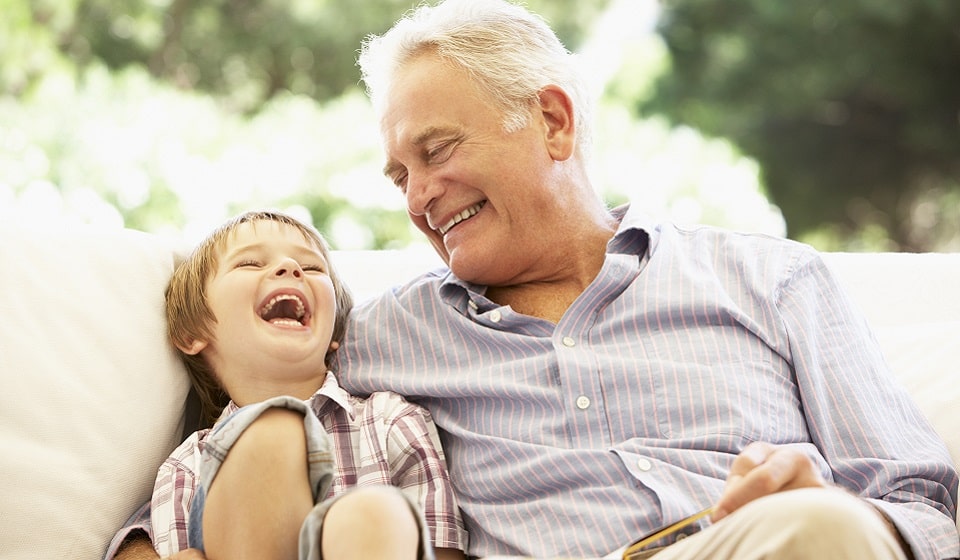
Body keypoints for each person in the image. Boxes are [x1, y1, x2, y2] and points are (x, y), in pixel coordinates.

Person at [113, 0, 959, 559]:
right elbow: (248, 429)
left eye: (435, 152)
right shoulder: (377, 337)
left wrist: (846, 520)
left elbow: (925, 502)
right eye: (398, 176)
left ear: (551, 122)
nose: (417, 196)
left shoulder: (771, 281)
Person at [107, 210, 466, 560]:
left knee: (371, 515)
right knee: (273, 432)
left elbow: (441, 550)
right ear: (192, 332)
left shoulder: (392, 419)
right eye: (250, 263)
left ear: (335, 333)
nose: (290, 269)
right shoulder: (188, 465)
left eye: (311, 267)